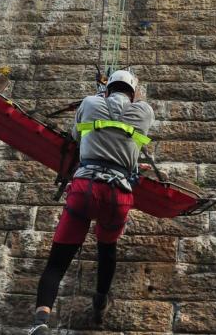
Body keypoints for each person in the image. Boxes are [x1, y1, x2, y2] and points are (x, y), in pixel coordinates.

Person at [29, 69, 155, 334]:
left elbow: (75, 136)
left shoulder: (89, 103)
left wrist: (98, 99)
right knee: (106, 250)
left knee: (57, 262)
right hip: (118, 195)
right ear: (133, 94)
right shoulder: (144, 112)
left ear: (107, 89)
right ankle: (99, 302)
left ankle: (40, 321)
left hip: (85, 188)